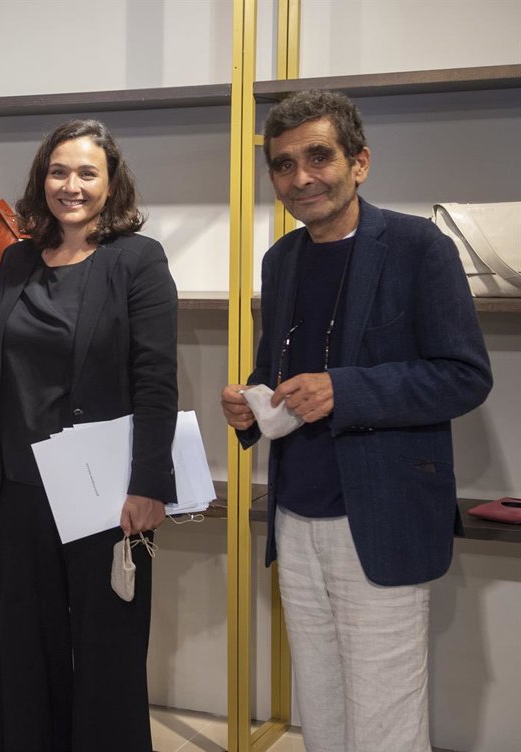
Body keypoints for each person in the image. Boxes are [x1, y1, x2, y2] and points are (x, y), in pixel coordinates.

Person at [219, 89, 491, 751]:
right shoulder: (281, 259)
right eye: (284, 164)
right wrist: (249, 406)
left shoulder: (418, 247)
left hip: (381, 513)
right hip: (294, 514)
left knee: (384, 720)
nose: (301, 177)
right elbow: (276, 369)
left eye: (319, 157)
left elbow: (464, 376)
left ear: (359, 162)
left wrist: (344, 391)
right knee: (322, 710)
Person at [0, 119, 178, 752]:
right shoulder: (18, 260)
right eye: (59, 172)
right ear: (42, 179)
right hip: (21, 490)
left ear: (112, 184)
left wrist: (150, 484)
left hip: (106, 494)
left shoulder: (138, 260)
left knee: (109, 654)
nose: (71, 185)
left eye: (87, 173)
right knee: (24, 652)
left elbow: (157, 381)